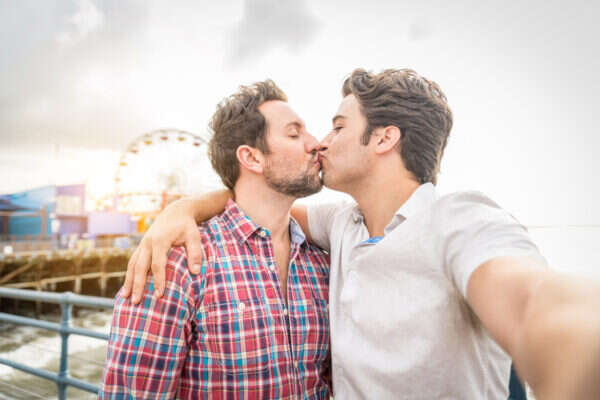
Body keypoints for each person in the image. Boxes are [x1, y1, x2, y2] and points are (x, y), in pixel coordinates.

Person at [123, 69, 600, 399]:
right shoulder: (339, 226)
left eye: (336, 126)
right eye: (302, 132)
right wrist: (181, 209)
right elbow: (256, 206)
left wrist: (574, 350)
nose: (320, 142)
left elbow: (532, 300)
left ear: (385, 138)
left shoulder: (460, 219)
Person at [100, 80, 332, 399]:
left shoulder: (321, 260)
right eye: (294, 134)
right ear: (251, 158)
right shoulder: (177, 263)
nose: (316, 143)